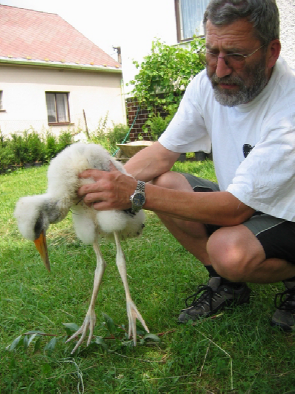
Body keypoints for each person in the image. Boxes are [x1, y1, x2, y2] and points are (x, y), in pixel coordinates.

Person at [78, 0, 295, 331]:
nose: (219, 69)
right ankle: (228, 285)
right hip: (250, 202)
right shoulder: (205, 86)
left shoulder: (289, 109)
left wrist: (134, 192)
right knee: (163, 182)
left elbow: (234, 210)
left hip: (288, 214)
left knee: (230, 251)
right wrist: (106, 184)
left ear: (271, 51)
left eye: (235, 55)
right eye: (211, 52)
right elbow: (163, 153)